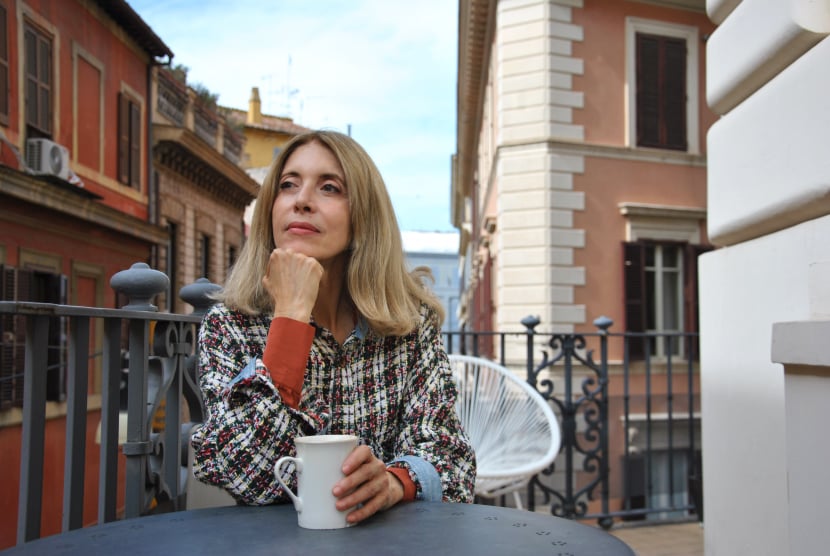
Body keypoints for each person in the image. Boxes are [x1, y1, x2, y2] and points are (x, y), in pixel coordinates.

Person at [191, 130, 476, 524]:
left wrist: (394, 483)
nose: (301, 201)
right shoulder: (230, 326)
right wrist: (290, 316)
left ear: (364, 216)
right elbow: (247, 475)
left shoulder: (408, 326)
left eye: (329, 187)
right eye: (287, 185)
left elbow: (453, 460)